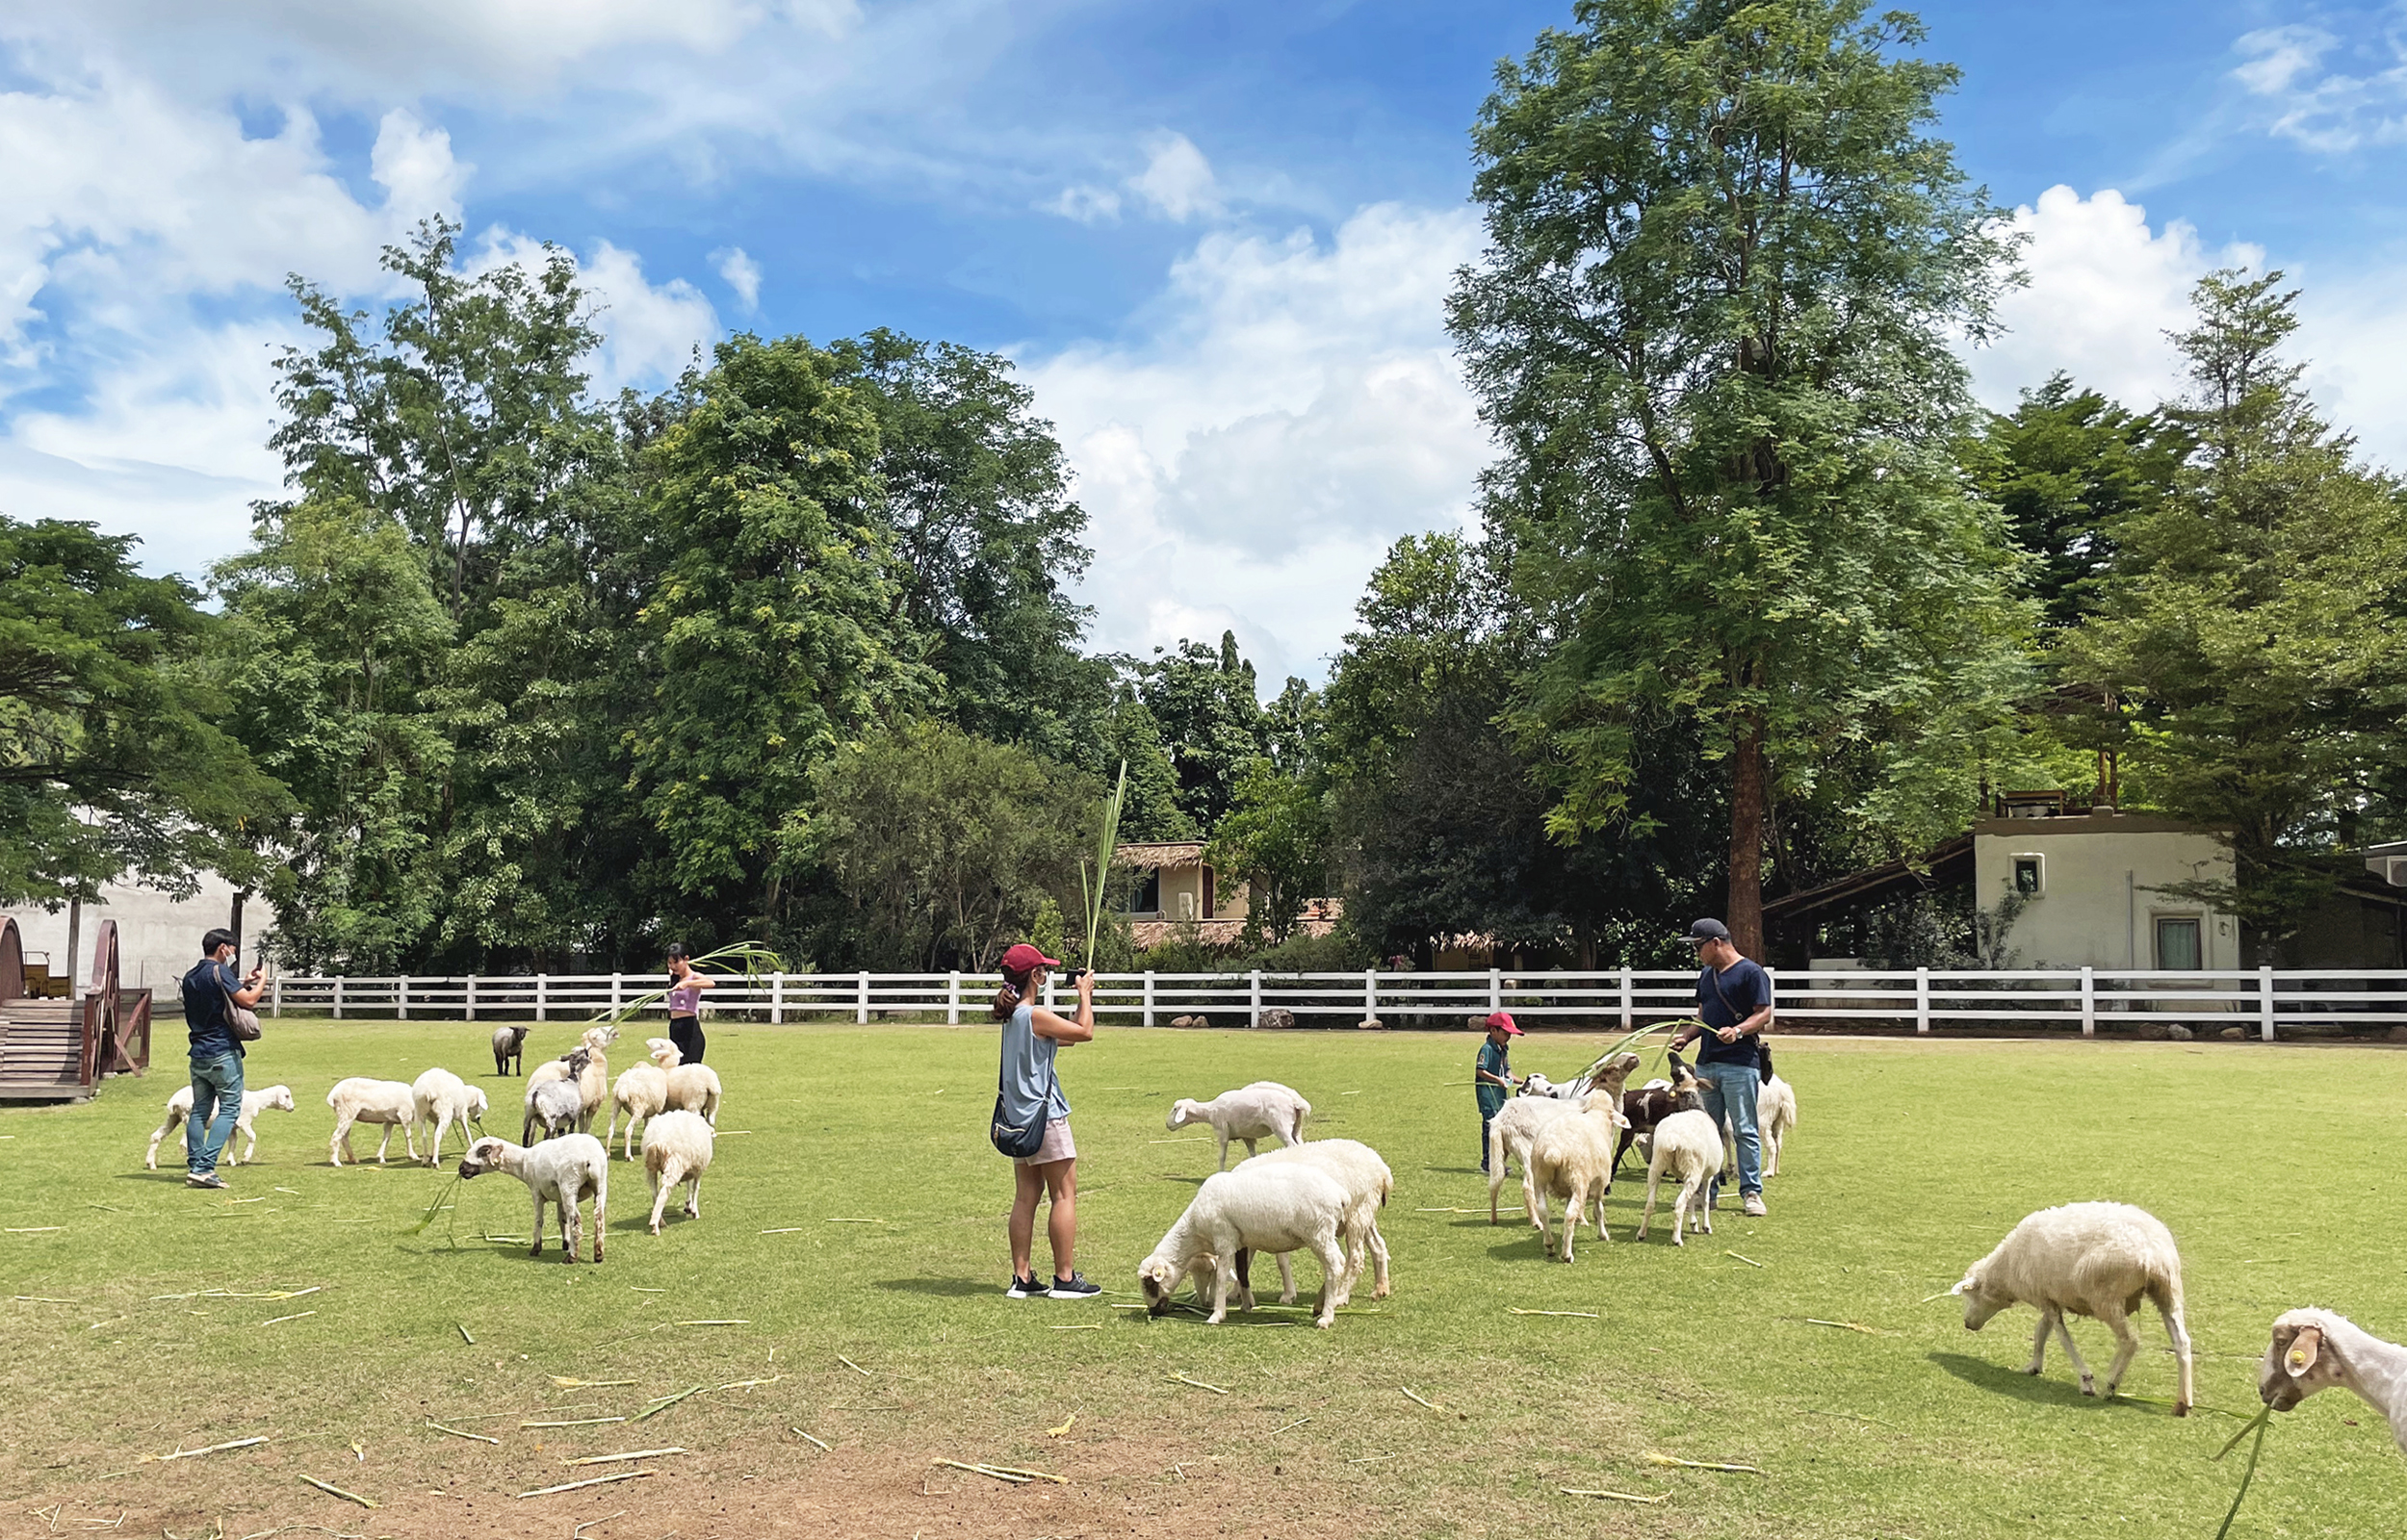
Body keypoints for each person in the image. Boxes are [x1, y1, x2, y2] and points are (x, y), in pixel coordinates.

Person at [994, 941, 1100, 1299]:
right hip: (1046, 1118)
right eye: (1044, 970)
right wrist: (1085, 994)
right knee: (1064, 1194)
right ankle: (1065, 1278)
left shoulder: (1014, 1018)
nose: (1047, 974)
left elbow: (1067, 1036)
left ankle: (1022, 1278)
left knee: (1026, 1197)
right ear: (1035, 976)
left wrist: (1079, 1002)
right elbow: (1085, 1033)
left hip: (1018, 1120)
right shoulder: (1034, 1015)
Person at [1669, 918, 1773, 1218]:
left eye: (1698, 946)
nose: (1696, 952)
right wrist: (1687, 1036)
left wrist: (1738, 1031)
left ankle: (1751, 1192)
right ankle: (1706, 1192)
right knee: (1706, 1129)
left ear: (1716, 942)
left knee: (1745, 1129)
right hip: (1706, 1063)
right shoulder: (1706, 975)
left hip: (1740, 1063)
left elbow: (1763, 1013)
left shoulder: (1751, 973)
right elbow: (1703, 1015)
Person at [178, 928, 264, 1190]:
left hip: (198, 1053)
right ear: (222, 948)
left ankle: (196, 1165)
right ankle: (205, 1168)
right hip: (222, 1051)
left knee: (200, 1111)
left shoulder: (190, 975)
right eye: (231, 951)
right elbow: (247, 1001)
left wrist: (244, 980)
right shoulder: (220, 971)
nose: (231, 956)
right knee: (229, 1109)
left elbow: (217, 998)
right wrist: (262, 982)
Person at [1474, 1009, 1522, 1171]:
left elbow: (1507, 1071)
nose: (1508, 1037)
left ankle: (1498, 1162)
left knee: (1500, 1130)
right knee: (1490, 1128)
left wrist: (1523, 1082)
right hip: (1488, 1095)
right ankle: (1488, 1163)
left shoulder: (1503, 1048)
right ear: (1493, 1030)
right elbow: (1480, 1070)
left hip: (1500, 1095)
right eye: (1505, 1033)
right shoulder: (1486, 1049)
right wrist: (1497, 1080)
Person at [663, 944, 714, 1065]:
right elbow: (672, 971)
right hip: (675, 1027)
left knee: (690, 1068)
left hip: (689, 1028)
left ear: (686, 959)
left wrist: (688, 984)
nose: (673, 966)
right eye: (670, 963)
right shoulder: (675, 979)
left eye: (676, 962)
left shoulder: (693, 977)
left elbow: (711, 983)